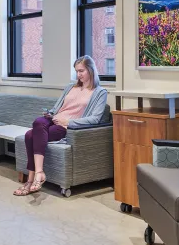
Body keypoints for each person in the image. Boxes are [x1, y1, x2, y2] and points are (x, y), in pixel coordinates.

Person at [14, 55, 109, 196]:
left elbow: (95, 119)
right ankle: (39, 174)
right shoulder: (71, 87)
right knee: (38, 122)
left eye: (81, 71)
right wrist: (50, 114)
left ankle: (31, 179)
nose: (78, 74)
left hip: (65, 127)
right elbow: (58, 107)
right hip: (54, 120)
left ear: (90, 70)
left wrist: (68, 122)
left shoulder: (100, 92)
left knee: (30, 135)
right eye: (77, 71)